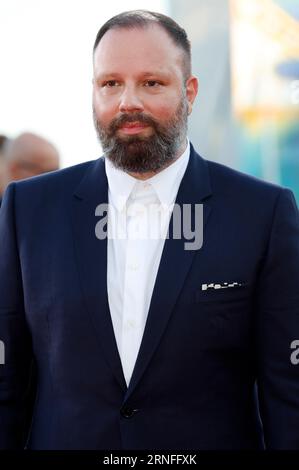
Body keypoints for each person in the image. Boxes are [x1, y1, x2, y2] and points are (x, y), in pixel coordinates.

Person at [0, 10, 299, 450]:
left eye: (152, 83)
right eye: (111, 84)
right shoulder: (27, 210)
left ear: (190, 92)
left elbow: (288, 393)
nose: (128, 102)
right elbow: (7, 386)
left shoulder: (263, 213)